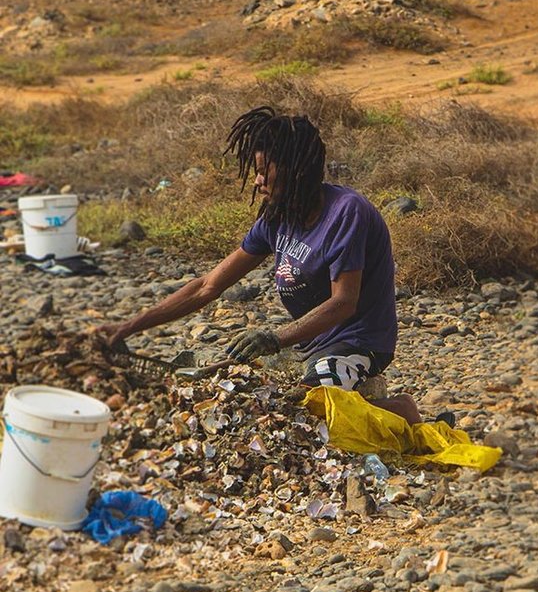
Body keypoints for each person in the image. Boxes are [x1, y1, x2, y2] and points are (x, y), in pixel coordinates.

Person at [98, 106, 423, 424]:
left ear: (295, 170)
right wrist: (130, 326)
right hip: (307, 343)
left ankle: (400, 410)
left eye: (263, 170)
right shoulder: (276, 217)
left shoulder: (346, 213)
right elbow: (207, 286)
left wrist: (274, 338)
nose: (256, 181)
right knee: (236, 394)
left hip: (359, 341)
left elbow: (343, 302)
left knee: (309, 413)